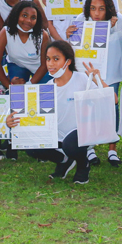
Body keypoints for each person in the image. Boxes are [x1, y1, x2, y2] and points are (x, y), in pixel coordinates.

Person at [8, 41, 110, 185]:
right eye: (48, 59)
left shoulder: (81, 79)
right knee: (30, 146)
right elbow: (33, 117)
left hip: (80, 134)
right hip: (57, 137)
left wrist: (98, 80)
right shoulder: (47, 88)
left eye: (56, 59)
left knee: (70, 145)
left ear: (68, 61)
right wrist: (13, 121)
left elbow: (113, 100)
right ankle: (64, 160)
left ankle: (83, 164)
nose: (50, 64)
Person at [65, 0, 122, 168]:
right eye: (93, 9)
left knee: (111, 107)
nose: (97, 13)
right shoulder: (81, 21)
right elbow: (73, 44)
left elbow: (121, 31)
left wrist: (112, 26)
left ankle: (112, 149)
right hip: (89, 72)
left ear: (108, 9)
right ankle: (90, 147)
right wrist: (69, 34)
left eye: (101, 9)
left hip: (111, 72)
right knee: (89, 107)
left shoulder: (117, 20)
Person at [0, 0, 51, 89]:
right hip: (17, 66)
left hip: (39, 69)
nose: (28, 20)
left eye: (33, 18)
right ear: (17, 15)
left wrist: (29, 85)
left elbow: (44, 65)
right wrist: (10, 87)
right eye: (24, 15)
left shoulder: (43, 35)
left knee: (44, 93)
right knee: (18, 93)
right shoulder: (6, 32)